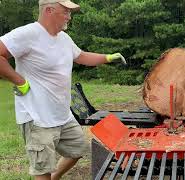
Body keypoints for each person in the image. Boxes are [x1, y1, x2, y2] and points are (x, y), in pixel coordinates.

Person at [0, 0, 126, 179]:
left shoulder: (64, 38)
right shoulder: (28, 34)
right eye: (65, 11)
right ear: (49, 10)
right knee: (42, 169)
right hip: (38, 117)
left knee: (77, 150)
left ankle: (55, 177)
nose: (69, 16)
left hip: (62, 115)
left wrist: (107, 57)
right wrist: (19, 81)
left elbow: (81, 56)